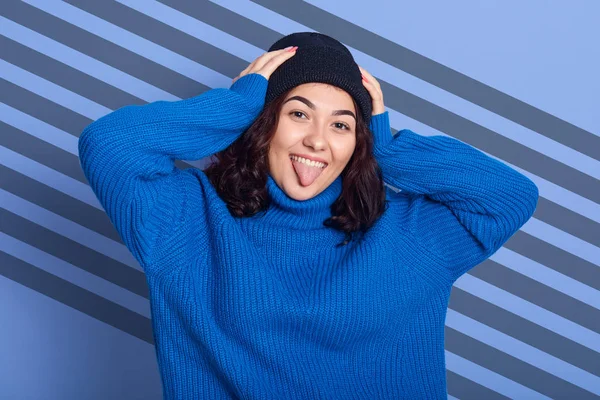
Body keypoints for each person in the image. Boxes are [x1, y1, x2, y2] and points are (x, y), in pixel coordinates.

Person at [78, 32, 539, 399]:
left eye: (341, 124)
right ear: (262, 121)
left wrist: (389, 148)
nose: (319, 140)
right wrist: (236, 105)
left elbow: (510, 196)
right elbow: (110, 144)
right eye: (298, 114)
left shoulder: (410, 233)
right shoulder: (186, 220)